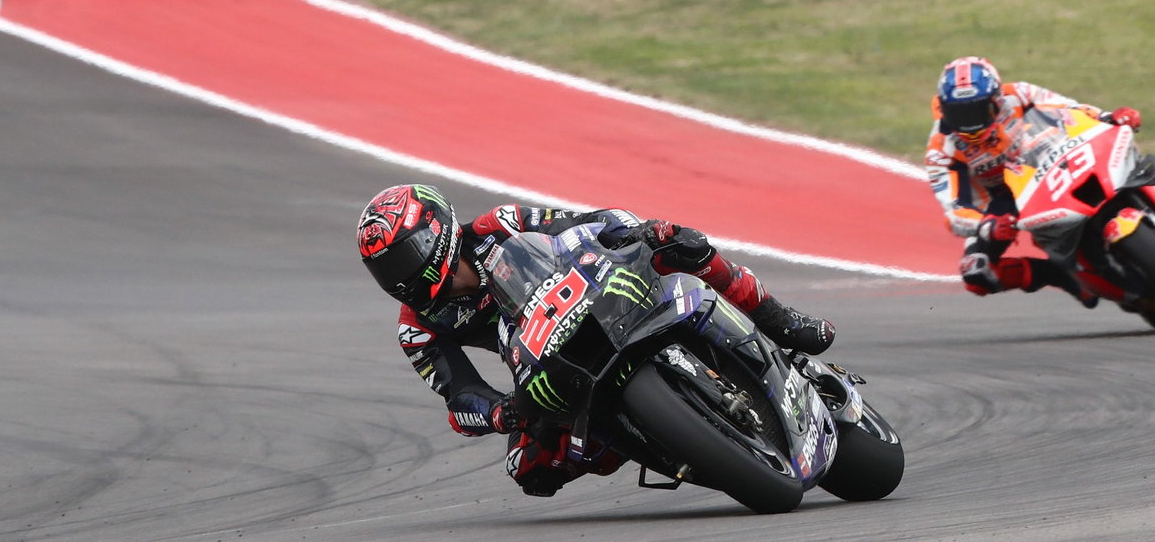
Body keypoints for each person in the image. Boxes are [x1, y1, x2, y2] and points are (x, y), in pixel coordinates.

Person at [356, 183, 835, 497]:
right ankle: (648, 435)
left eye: (403, 257)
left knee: (680, 244)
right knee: (530, 469)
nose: (399, 277)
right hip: (542, 360)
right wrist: (501, 412)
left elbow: (580, 222)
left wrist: (639, 231)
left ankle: (777, 319)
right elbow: (459, 392)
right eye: (385, 271)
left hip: (599, 293)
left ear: (436, 233)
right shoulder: (416, 327)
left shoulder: (498, 225)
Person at [926, 55, 1155, 303]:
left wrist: (1108, 117)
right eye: (960, 114)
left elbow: (1069, 107)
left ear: (996, 98)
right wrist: (987, 226)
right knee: (976, 274)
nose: (971, 124)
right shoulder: (941, 149)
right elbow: (955, 211)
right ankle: (1064, 277)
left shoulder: (1018, 93)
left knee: (1117, 143)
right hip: (1003, 201)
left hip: (1050, 156)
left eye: (978, 110)